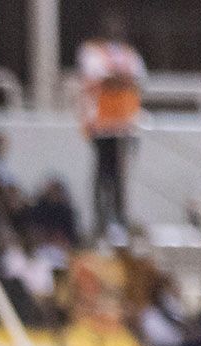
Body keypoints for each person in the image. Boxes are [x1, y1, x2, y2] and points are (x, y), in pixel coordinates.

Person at [77, 14, 146, 239]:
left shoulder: (129, 54)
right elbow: (99, 78)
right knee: (102, 174)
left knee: (119, 176)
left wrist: (116, 79)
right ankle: (101, 221)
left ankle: (119, 219)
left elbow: (137, 78)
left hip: (125, 125)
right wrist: (118, 79)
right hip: (102, 124)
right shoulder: (92, 51)